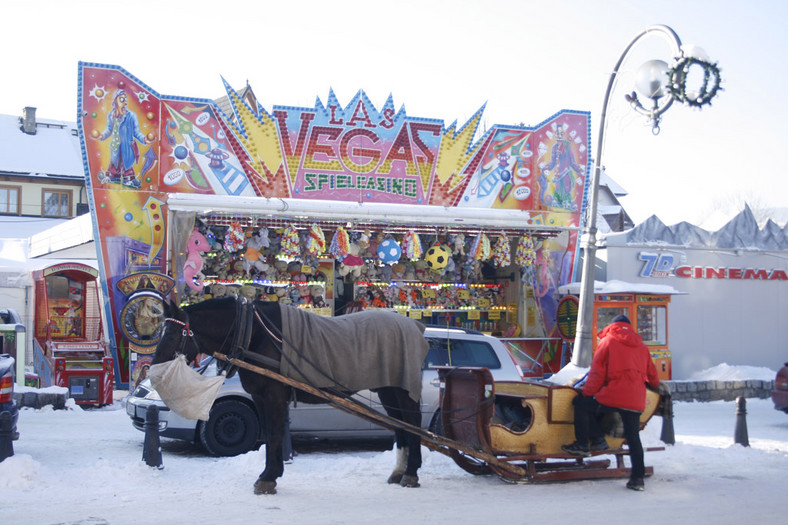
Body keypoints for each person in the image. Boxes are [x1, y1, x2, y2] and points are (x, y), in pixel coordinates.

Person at [561, 314, 660, 491]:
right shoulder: (642, 347)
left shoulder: (607, 342)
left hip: (613, 394)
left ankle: (584, 444)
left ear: (613, 326)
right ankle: (637, 480)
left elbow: (597, 374)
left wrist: (587, 392)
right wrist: (653, 386)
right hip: (636, 399)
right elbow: (652, 375)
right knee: (634, 438)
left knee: (582, 404)